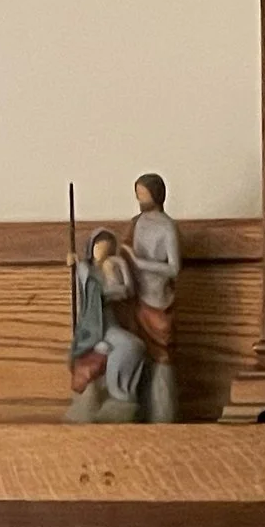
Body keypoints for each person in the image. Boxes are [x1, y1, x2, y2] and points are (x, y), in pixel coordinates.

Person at [67, 227, 147, 422]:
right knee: (128, 346)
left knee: (134, 345)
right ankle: (119, 395)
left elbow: (127, 290)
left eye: (107, 248)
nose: (103, 252)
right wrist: (75, 263)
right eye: (99, 248)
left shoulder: (114, 265)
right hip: (95, 326)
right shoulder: (87, 270)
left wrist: (115, 271)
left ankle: (122, 396)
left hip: (110, 323)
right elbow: (88, 289)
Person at [128, 174, 181, 424]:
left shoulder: (166, 226)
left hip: (159, 298)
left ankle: (163, 414)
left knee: (161, 357)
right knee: (140, 355)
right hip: (138, 296)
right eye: (137, 193)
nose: (139, 198)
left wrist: (140, 263)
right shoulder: (136, 223)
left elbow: (174, 268)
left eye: (143, 193)